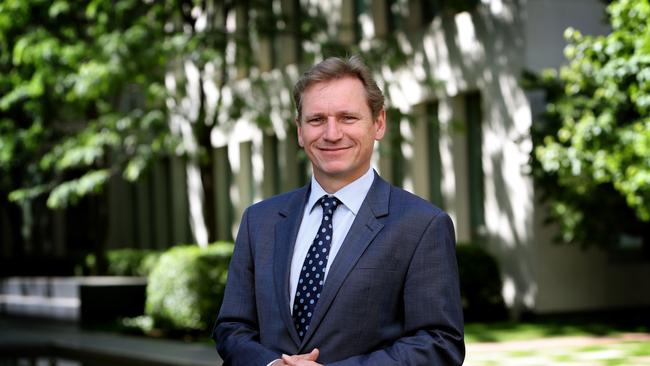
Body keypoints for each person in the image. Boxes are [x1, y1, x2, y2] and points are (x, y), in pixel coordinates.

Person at [213, 56, 465, 366]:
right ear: (299, 131)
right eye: (317, 120)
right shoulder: (259, 221)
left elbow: (439, 343)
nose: (332, 134)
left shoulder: (422, 225)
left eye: (347, 118)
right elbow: (231, 328)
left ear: (379, 123)